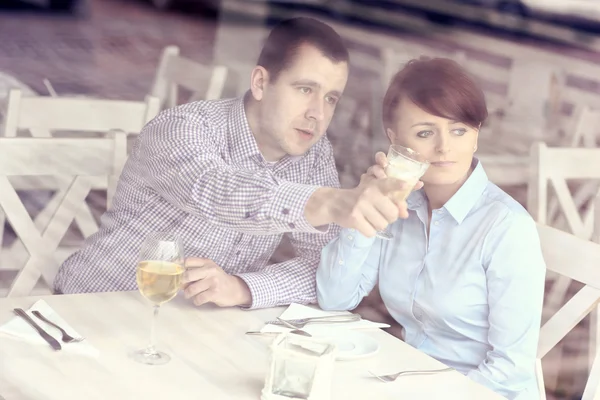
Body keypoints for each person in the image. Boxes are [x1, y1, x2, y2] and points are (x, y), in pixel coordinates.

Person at [54, 17, 411, 309]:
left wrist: (243, 288)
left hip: (195, 330)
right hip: (93, 308)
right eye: (305, 89)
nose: (318, 113)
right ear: (260, 82)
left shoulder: (312, 156)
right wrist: (332, 201)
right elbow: (215, 191)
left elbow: (324, 268)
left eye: (331, 98)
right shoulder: (181, 128)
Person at [316, 57, 545, 400]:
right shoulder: (399, 205)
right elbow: (334, 299)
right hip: (408, 381)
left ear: (476, 136)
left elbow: (510, 371)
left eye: (459, 130)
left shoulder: (507, 229)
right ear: (394, 140)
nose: (444, 147)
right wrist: (361, 209)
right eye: (425, 132)